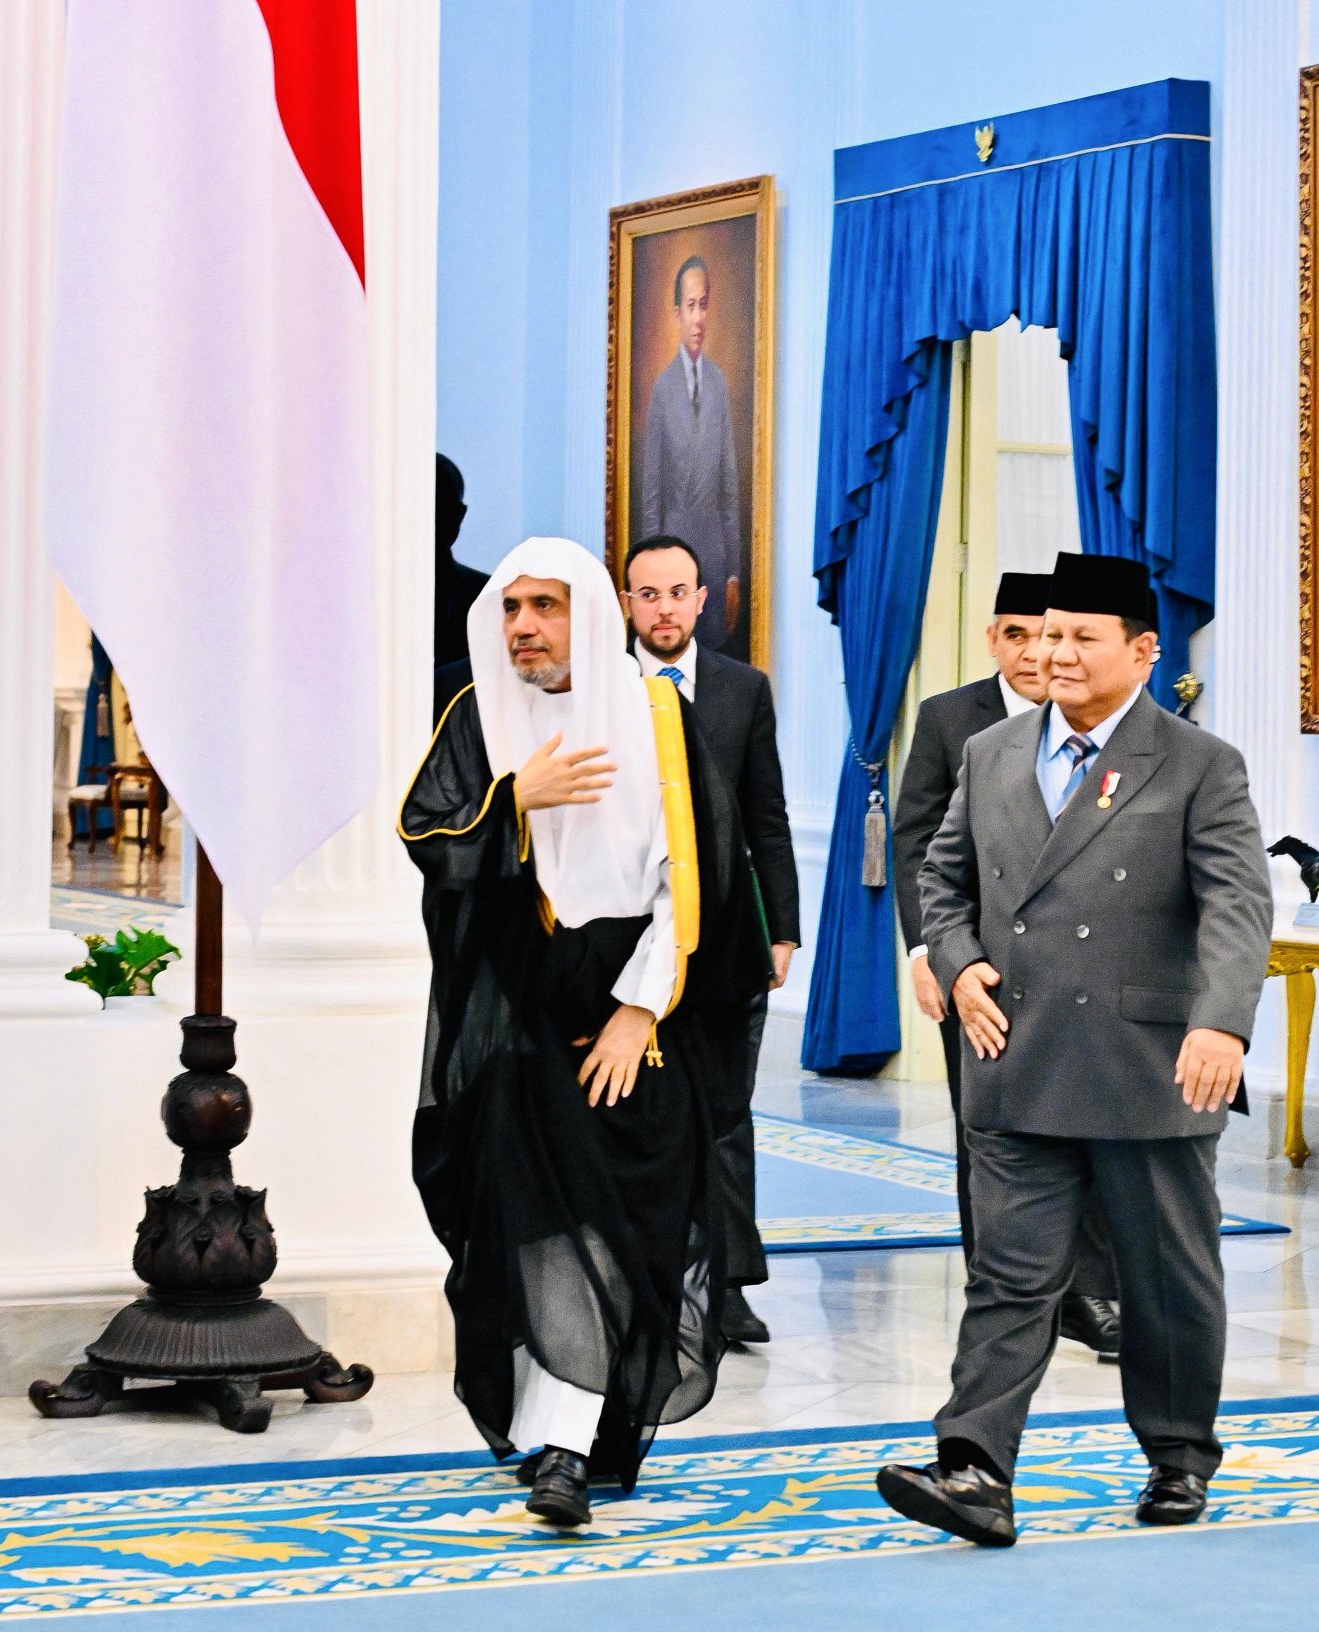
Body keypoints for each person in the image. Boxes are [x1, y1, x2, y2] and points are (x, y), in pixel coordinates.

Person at [876, 553, 1272, 1547]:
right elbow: (941, 872)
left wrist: (1219, 1020)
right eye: (1045, 633)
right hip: (1013, 1052)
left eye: (1077, 637)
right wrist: (956, 960)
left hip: (1147, 1066)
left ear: (1140, 652)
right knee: (1008, 1278)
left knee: (1164, 1280)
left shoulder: (1198, 764)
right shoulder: (991, 752)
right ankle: (972, 1468)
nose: (1053, 652)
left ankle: (1178, 1456)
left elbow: (1236, 904)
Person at [400, 537, 766, 1528]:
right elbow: (425, 833)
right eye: (511, 608)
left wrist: (636, 1010)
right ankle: (558, 1444)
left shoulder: (656, 717)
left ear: (588, 617)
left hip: (642, 1017)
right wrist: (513, 802)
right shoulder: (478, 715)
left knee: (635, 1225)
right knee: (540, 1227)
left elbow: (696, 883)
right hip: (520, 1016)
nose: (523, 626)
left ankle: (587, 1424)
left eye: (545, 607)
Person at [892, 571, 1123, 1363]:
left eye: (1048, 633)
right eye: (1017, 634)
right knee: (984, 1127)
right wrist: (930, 952)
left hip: (1085, 971)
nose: (1035, 651)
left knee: (1087, 1126)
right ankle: (997, 1280)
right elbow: (920, 844)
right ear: (993, 639)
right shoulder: (950, 720)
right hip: (982, 972)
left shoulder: (1108, 720)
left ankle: (1087, 1294)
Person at [622, 532, 799, 1347]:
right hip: (627, 937)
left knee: (726, 1114)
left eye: (678, 592)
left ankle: (728, 1286)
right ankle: (637, 1280)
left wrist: (783, 929)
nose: (664, 608)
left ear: (705, 600)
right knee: (639, 1113)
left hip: (728, 937)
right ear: (628, 604)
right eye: (648, 594)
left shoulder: (742, 689)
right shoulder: (603, 688)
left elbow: (768, 813)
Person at [639, 256, 743, 656]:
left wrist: (733, 574)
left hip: (715, 567)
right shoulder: (662, 390)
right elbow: (651, 498)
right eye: (690, 306)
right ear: (677, 313)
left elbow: (730, 489)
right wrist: (652, 578)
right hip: (674, 562)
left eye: (705, 305)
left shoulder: (718, 382)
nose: (698, 317)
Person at [432, 453, 487, 713]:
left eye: (441, 507)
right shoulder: (364, 595)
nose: (433, 519)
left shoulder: (487, 594)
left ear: (460, 515)